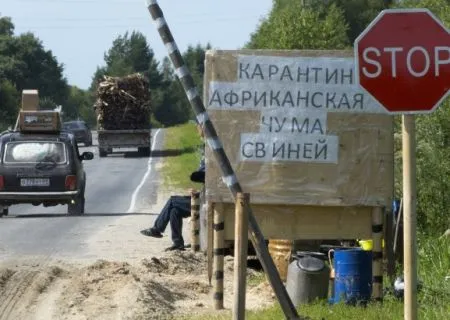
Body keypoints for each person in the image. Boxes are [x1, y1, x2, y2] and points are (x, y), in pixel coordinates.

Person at [140, 123, 205, 251]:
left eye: (200, 126)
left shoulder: (212, 151)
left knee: (173, 201)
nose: (198, 129)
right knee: (175, 210)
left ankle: (157, 228)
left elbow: (208, 174)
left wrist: (198, 178)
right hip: (203, 195)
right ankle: (177, 243)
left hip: (206, 200)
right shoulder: (207, 149)